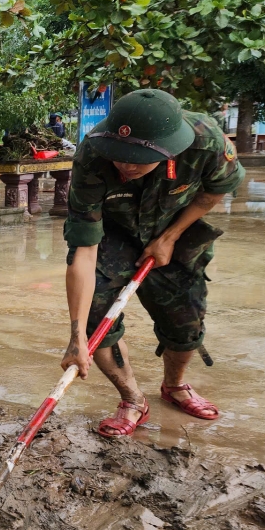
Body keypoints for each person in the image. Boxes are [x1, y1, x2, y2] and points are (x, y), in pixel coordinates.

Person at [60, 88, 243, 438]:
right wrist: (76, 336)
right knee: (95, 321)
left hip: (175, 227)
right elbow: (84, 250)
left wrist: (172, 235)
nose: (125, 166)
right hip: (113, 233)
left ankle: (174, 386)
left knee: (186, 319)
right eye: (120, 155)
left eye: (137, 159)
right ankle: (132, 399)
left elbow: (215, 190)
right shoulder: (92, 155)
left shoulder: (207, 142)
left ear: (170, 151)